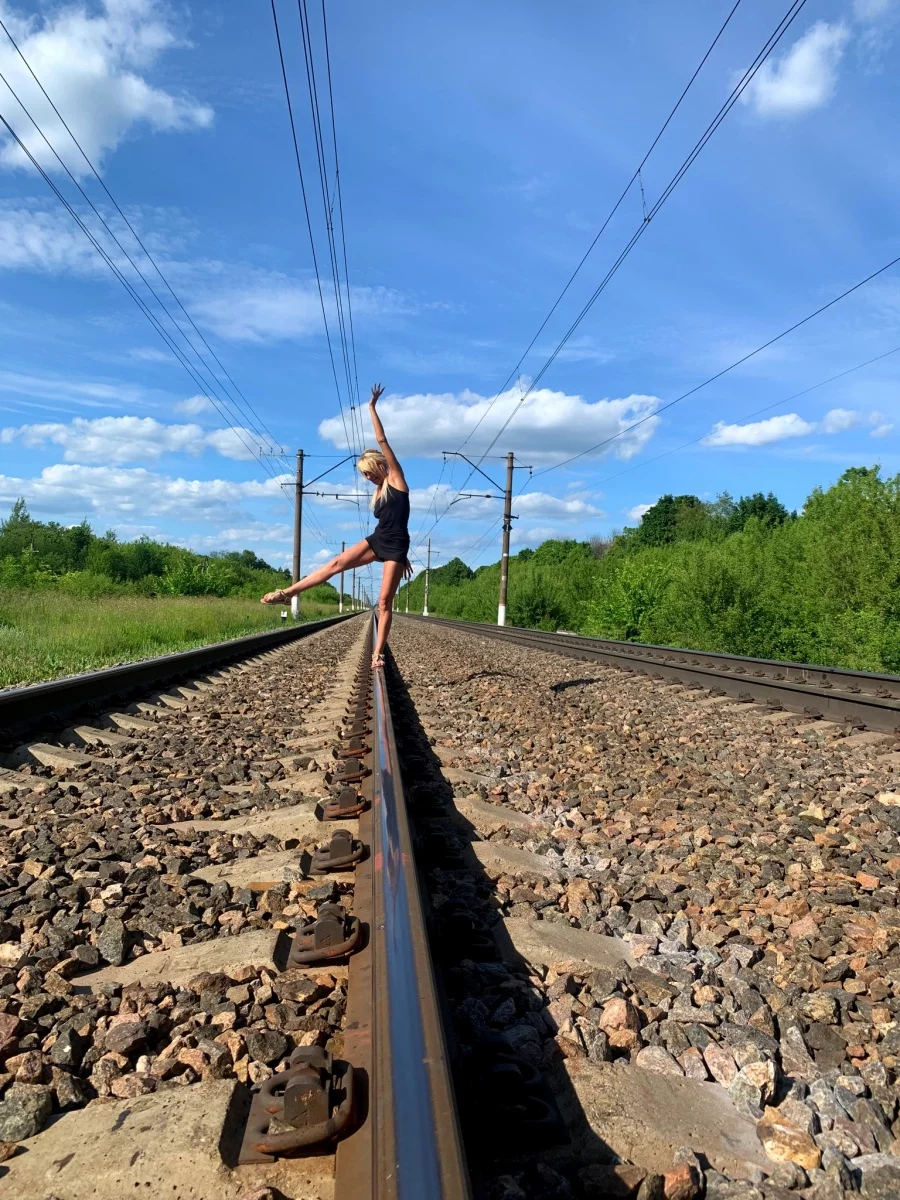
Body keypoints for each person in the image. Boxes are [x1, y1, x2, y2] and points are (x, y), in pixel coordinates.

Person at [261, 384, 412, 668]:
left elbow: (381, 439)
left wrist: (371, 408)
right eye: (364, 475)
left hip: (396, 546)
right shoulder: (378, 490)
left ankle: (378, 654)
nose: (367, 478)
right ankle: (288, 593)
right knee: (336, 563)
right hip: (379, 539)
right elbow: (392, 521)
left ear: (379, 466)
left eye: (369, 473)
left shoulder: (396, 478)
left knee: (384, 602)